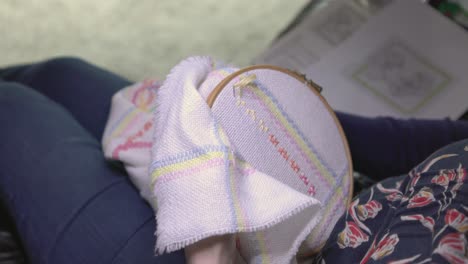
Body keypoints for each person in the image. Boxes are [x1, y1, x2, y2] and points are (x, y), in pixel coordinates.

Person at [0, 57, 467, 263]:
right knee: (60, 74)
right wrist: (269, 106)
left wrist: (210, 248)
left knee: (11, 108)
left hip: (217, 251)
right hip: (319, 197)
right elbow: (430, 147)